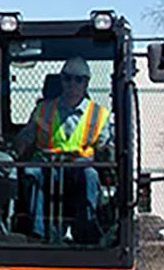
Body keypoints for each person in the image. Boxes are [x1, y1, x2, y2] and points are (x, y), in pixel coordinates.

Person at [11, 56, 112, 241]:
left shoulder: (99, 114)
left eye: (78, 79)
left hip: (79, 166)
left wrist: (106, 152)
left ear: (86, 83)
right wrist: (17, 147)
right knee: (31, 172)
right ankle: (37, 233)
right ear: (61, 80)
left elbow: (104, 146)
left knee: (90, 176)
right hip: (48, 165)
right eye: (67, 78)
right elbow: (27, 136)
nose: (72, 84)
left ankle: (86, 232)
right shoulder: (43, 109)